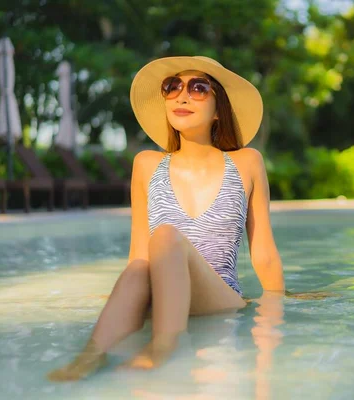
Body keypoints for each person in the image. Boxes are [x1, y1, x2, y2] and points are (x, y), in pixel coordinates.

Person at [47, 55, 286, 381]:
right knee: (136, 272)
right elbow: (138, 257)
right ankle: (90, 356)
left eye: (198, 88)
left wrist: (278, 303)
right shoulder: (146, 164)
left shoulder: (247, 162)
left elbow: (263, 251)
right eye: (172, 87)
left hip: (218, 298)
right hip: (160, 293)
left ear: (219, 111)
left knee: (166, 236)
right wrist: (122, 298)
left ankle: (165, 344)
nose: (182, 96)